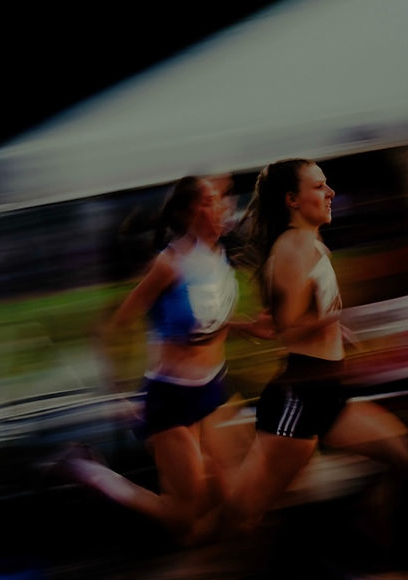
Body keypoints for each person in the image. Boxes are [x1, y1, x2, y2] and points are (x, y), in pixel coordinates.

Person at [222, 159, 408, 580]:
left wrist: (335, 328)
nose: (331, 193)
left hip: (328, 391)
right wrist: (334, 318)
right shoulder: (291, 249)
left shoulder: (314, 245)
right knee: (244, 512)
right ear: (292, 200)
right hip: (298, 397)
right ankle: (189, 558)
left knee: (407, 460)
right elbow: (289, 329)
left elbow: (292, 319)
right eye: (319, 186)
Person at [52, 175, 270, 542]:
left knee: (235, 496)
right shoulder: (169, 264)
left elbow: (205, 320)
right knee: (182, 519)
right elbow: (113, 327)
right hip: (172, 399)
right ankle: (89, 471)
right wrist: (117, 393)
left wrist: (247, 326)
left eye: (222, 199)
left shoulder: (218, 257)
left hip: (213, 388)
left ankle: (220, 559)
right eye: (209, 201)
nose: (221, 206)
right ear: (188, 214)